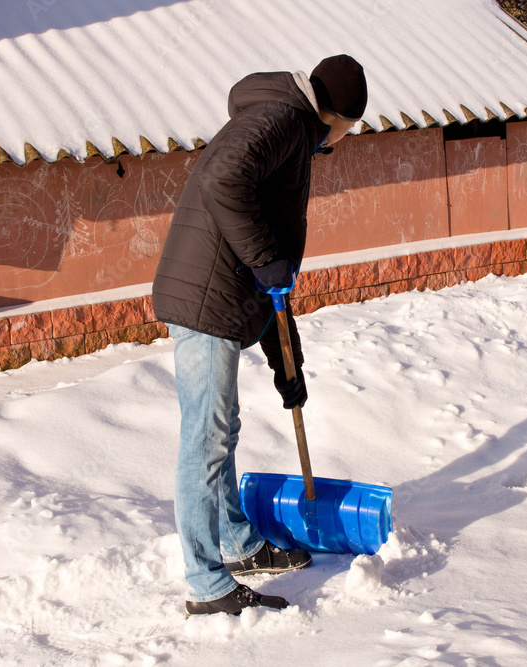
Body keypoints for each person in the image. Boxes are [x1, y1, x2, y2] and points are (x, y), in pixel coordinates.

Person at [152, 55, 368, 616]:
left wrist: (286, 370)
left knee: (219, 432)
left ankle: (238, 545)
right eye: (352, 127)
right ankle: (206, 583)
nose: (345, 138)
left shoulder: (290, 128)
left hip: (223, 298)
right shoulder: (280, 120)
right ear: (340, 115)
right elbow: (227, 183)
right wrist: (268, 259)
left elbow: (274, 280)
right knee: (206, 438)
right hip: (206, 300)